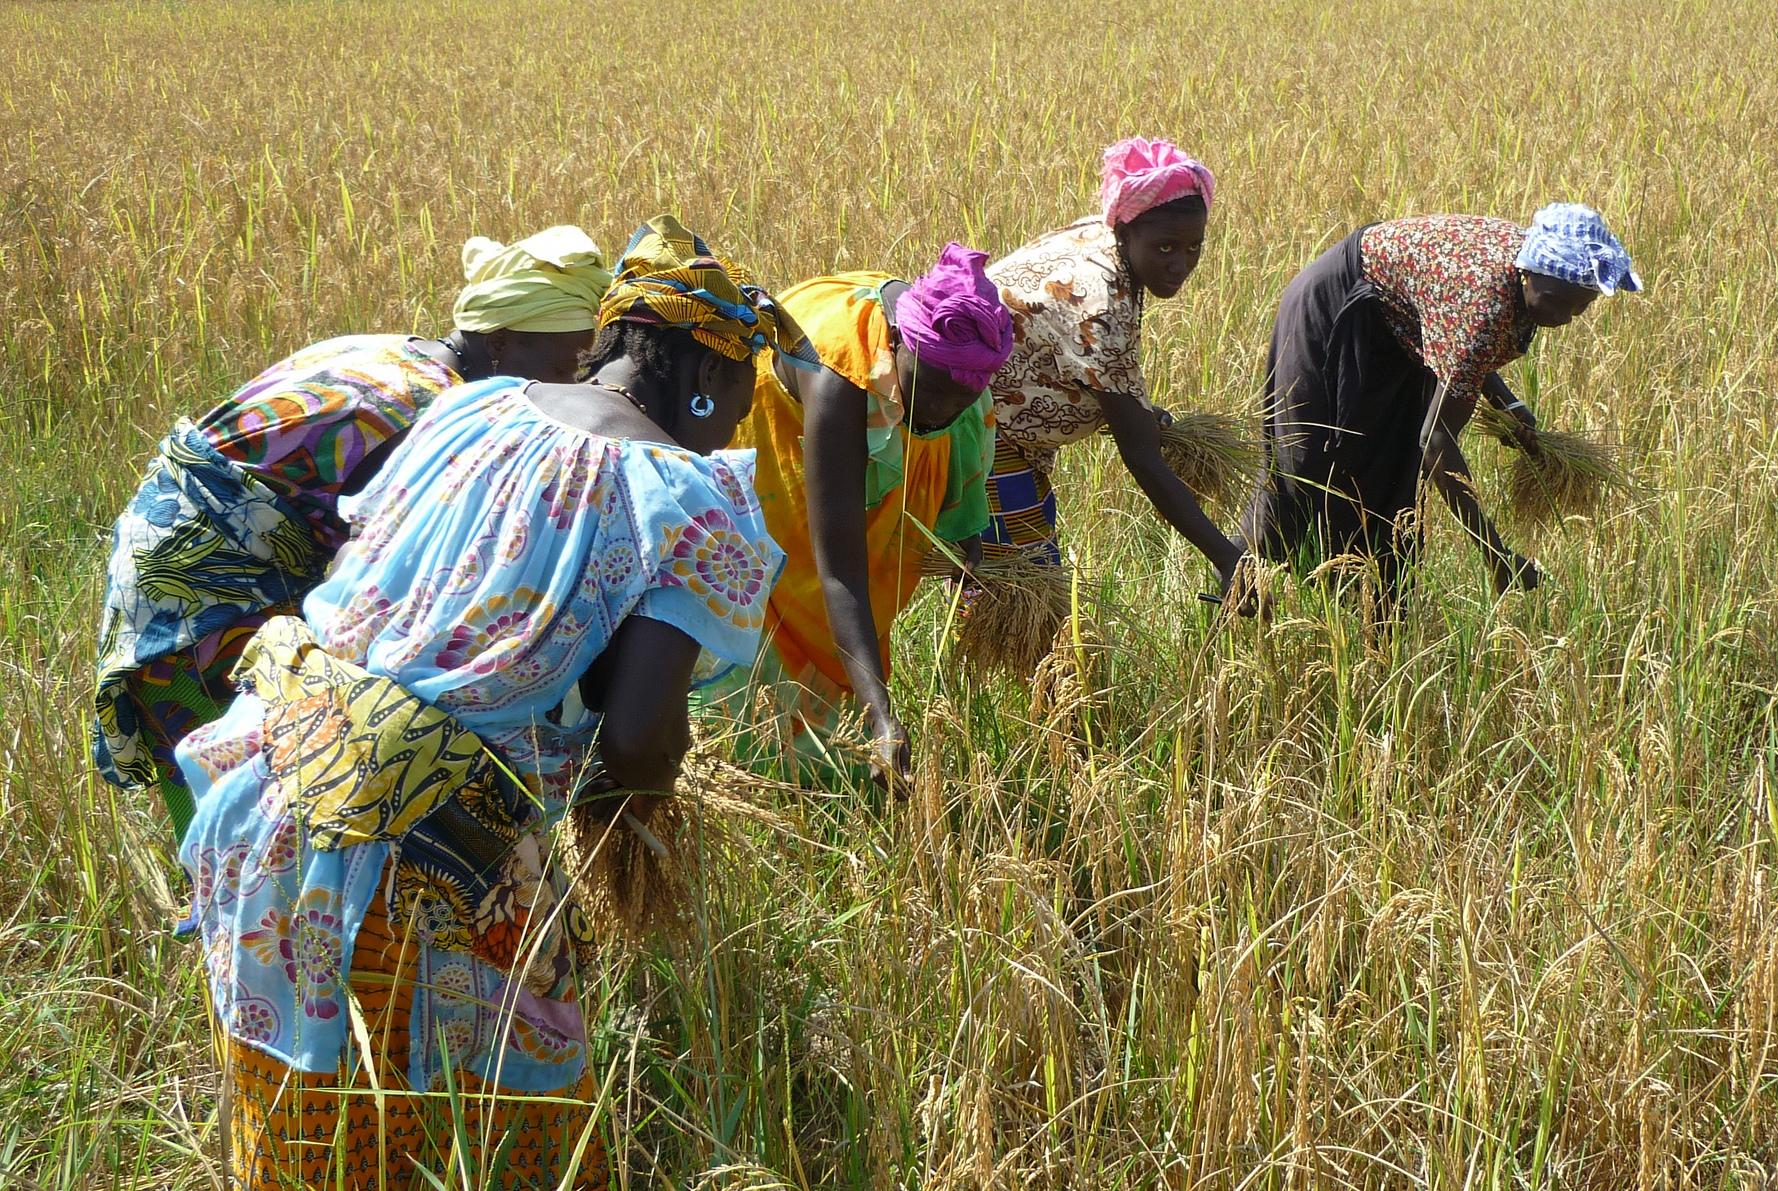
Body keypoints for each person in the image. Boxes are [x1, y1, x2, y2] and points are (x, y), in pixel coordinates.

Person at [173, 216, 805, 1189]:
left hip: (269, 775)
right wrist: (623, 795)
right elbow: (639, 742)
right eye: (740, 402)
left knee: (311, 1142)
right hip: (407, 848)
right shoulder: (683, 494)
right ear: (705, 377)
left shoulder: (477, 407)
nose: (732, 428)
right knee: (508, 1136)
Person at [93, 226, 611, 838]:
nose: (571, 387)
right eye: (562, 364)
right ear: (500, 342)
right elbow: (390, 581)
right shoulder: (431, 413)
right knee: (246, 822)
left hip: (171, 571)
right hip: (204, 606)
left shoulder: (397, 352)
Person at [1240, 203, 1642, 609]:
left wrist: (1508, 403)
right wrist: (1495, 554)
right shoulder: (1485, 302)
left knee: (1391, 480)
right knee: (1306, 471)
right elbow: (1435, 443)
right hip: (1337, 306)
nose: (1563, 318)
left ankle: (1377, 624)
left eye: (1579, 308)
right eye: (1555, 302)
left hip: (1398, 332)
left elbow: (1456, 339)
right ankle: (1238, 582)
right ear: (1527, 270)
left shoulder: (1519, 285)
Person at [734, 243, 1011, 784]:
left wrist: (969, 552)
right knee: (789, 592)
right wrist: (881, 715)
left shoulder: (955, 369)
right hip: (786, 441)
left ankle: (835, 748)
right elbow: (840, 571)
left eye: (959, 403)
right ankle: (777, 774)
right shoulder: (842, 381)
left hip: (888, 392)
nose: (939, 415)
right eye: (930, 394)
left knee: (854, 631)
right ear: (902, 348)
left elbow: (958, 432)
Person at [983, 136, 1252, 606]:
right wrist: (1227, 558)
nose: (1180, 264)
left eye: (1193, 247)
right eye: (1165, 247)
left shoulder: (1110, 242)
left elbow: (1091, 374)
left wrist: (1142, 414)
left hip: (1010, 433)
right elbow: (1141, 456)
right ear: (1126, 234)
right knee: (1020, 595)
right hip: (982, 432)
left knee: (1019, 582)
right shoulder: (1099, 303)